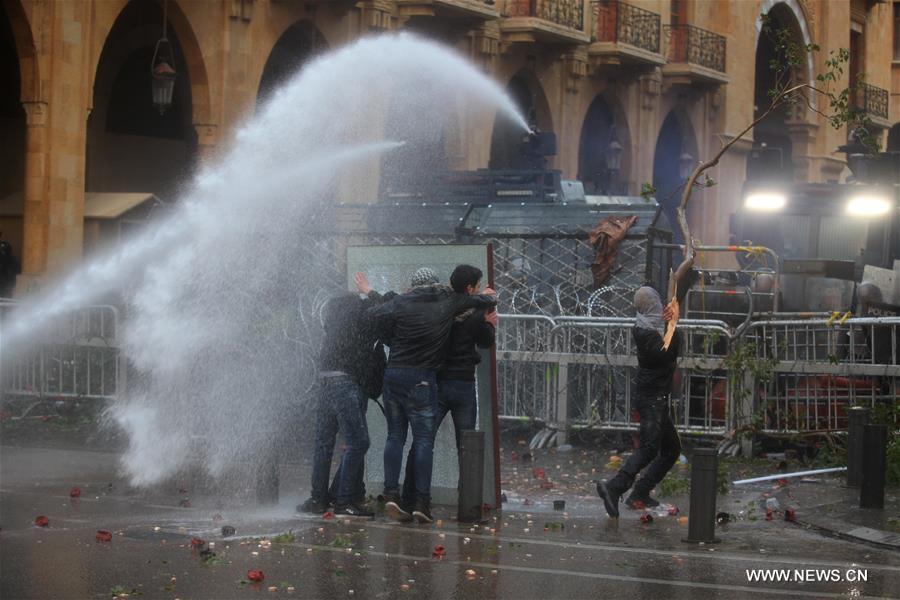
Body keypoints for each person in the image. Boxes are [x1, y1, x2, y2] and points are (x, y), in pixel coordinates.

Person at [367, 267, 496, 524]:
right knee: (425, 441)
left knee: (395, 436)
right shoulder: (446, 303)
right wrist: (490, 298)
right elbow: (480, 301)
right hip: (423, 379)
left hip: (394, 375)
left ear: (412, 287)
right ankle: (421, 502)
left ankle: (392, 491)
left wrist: (390, 332)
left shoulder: (403, 302)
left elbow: (374, 314)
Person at [400, 264, 497, 508]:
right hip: (463, 385)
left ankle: (410, 497)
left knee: (424, 440)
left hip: (439, 381)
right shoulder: (474, 313)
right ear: (470, 288)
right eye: (476, 285)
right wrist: (490, 322)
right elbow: (486, 342)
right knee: (466, 447)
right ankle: (468, 504)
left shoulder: (441, 309)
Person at [298, 273, 393, 518]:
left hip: (326, 379)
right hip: (346, 381)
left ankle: (318, 499)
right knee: (358, 441)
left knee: (323, 442)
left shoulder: (333, 312)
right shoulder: (364, 311)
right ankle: (343, 503)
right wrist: (370, 291)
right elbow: (387, 309)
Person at [597, 286, 681, 517]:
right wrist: (673, 325)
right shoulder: (644, 331)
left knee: (671, 450)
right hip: (652, 400)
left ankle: (640, 492)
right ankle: (614, 488)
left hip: (658, 399)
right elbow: (667, 352)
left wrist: (671, 321)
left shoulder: (651, 327)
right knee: (648, 448)